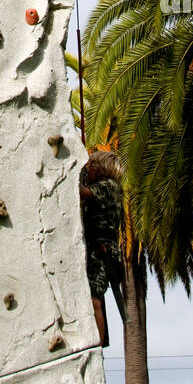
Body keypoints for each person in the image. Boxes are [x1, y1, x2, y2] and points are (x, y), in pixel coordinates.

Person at [79, 149, 126, 348]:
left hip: (103, 249)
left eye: (91, 166)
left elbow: (84, 193)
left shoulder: (110, 186)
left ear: (100, 169)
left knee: (94, 298)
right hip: (95, 247)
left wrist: (73, 174)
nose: (89, 170)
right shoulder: (102, 185)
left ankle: (97, 343)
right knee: (91, 296)